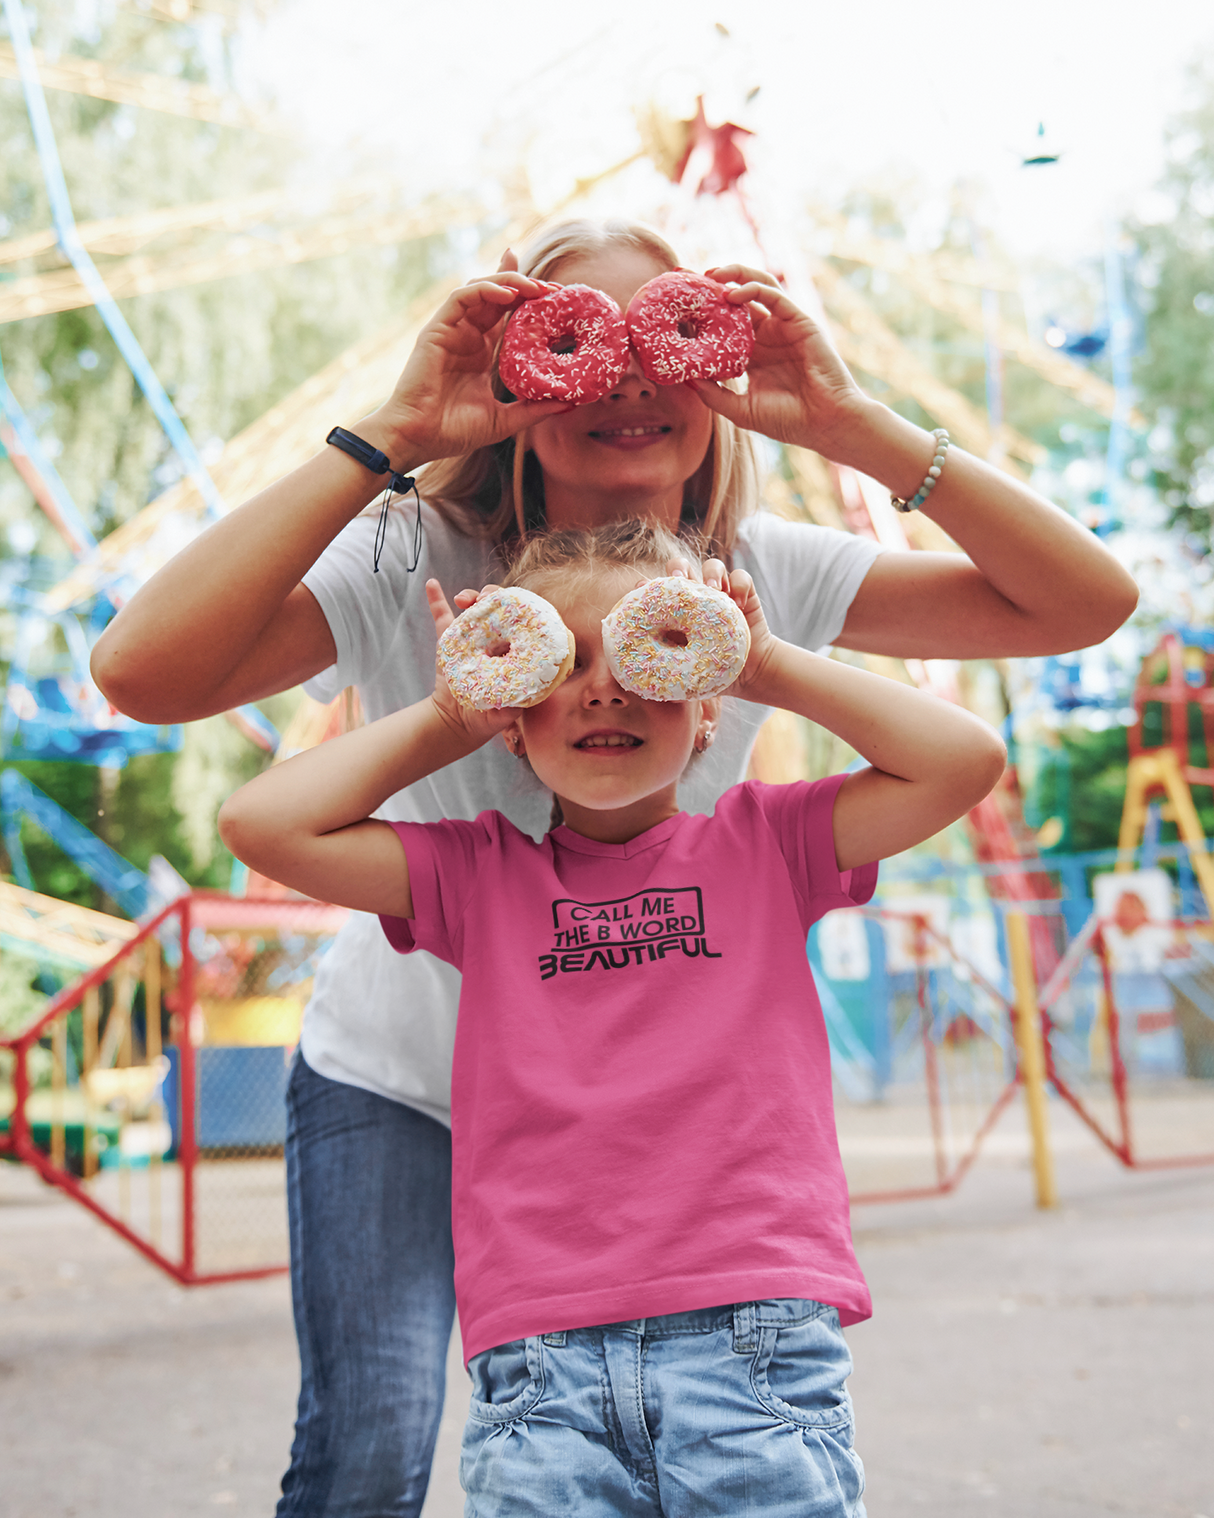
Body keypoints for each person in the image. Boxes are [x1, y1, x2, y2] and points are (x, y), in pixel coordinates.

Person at [90, 219, 1137, 1517]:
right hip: (405, 1076)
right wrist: (394, 433)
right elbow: (141, 673)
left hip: (637, 1114)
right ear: (516, 379)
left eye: (669, 340)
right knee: (367, 1447)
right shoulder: (409, 556)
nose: (631, 377)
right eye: (578, 343)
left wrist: (847, 424)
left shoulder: (756, 584)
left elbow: (1082, 606)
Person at [215, 521, 1009, 1516]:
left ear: (708, 702)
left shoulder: (770, 844)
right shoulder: (473, 876)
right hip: (540, 1362)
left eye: (649, 651)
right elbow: (260, 824)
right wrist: (445, 715)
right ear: (512, 714)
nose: (603, 686)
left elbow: (962, 758)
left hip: (751, 1340)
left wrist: (765, 661)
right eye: (564, 659)